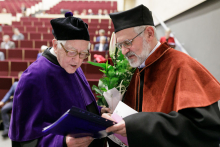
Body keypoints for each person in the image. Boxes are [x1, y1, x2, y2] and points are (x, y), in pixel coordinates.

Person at [102, 4, 220, 147]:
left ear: (149, 33)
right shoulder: (139, 68)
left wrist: (138, 125)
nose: (124, 51)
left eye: (127, 42)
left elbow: (205, 129)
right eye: (120, 45)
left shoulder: (182, 65)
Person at [9, 12, 110, 147]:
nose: (78, 60)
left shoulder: (71, 65)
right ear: (56, 45)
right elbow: (25, 139)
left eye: (83, 54)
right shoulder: (33, 77)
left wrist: (99, 111)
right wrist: (62, 142)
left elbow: (81, 102)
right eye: (72, 52)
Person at [0, 71, 23, 137]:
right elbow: (9, 93)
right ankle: (7, 129)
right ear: (18, 77)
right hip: (13, 102)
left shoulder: (28, 84)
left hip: (23, 104)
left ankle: (19, 131)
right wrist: (3, 101)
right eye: (19, 77)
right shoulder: (15, 84)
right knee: (4, 109)